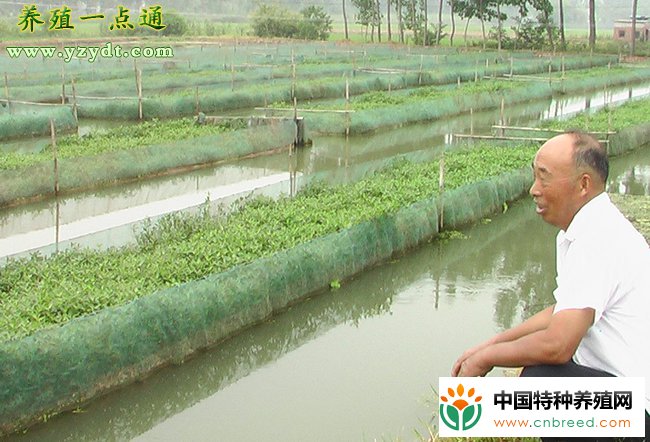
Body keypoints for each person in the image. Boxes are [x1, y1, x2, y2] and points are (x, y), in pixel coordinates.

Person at [451, 131, 650, 439]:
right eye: (535, 177)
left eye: (544, 178)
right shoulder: (585, 230)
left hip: (638, 412)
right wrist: (492, 344)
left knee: (538, 383)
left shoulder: (598, 240)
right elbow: (563, 310)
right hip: (619, 389)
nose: (534, 190)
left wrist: (485, 359)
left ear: (583, 184)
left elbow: (558, 345)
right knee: (526, 388)